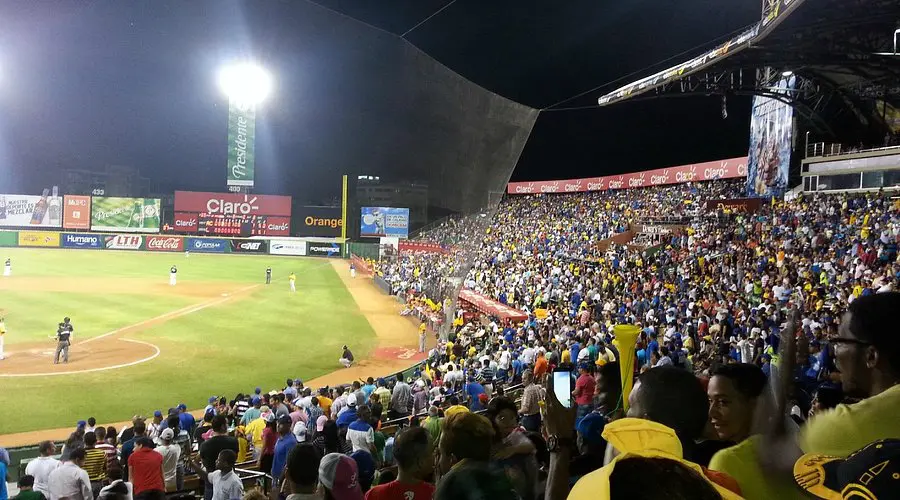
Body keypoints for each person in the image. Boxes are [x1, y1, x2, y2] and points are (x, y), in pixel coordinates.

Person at [485, 396, 538, 500]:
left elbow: (530, 446)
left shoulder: (515, 435)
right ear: (492, 420)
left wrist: (513, 449)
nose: (508, 422)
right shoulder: (489, 440)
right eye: (502, 418)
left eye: (512, 417)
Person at [364, 427, 433, 500]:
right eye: (432, 451)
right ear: (420, 462)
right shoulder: (435, 494)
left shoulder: (373, 495)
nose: (435, 455)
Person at [199, 415, 239, 500]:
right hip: (228, 478)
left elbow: (204, 463)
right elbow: (235, 458)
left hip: (211, 480)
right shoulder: (233, 441)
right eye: (226, 424)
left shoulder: (205, 445)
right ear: (222, 426)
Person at [272, 415, 299, 490]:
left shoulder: (291, 442)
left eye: (280, 424)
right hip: (275, 475)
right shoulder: (280, 437)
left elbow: (289, 463)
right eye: (278, 423)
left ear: (288, 425)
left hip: (283, 479)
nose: (277, 426)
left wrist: (280, 480)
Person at [82, 432, 108, 497]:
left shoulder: (80, 454)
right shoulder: (102, 453)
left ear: (84, 441)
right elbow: (105, 468)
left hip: (84, 483)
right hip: (97, 483)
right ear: (96, 441)